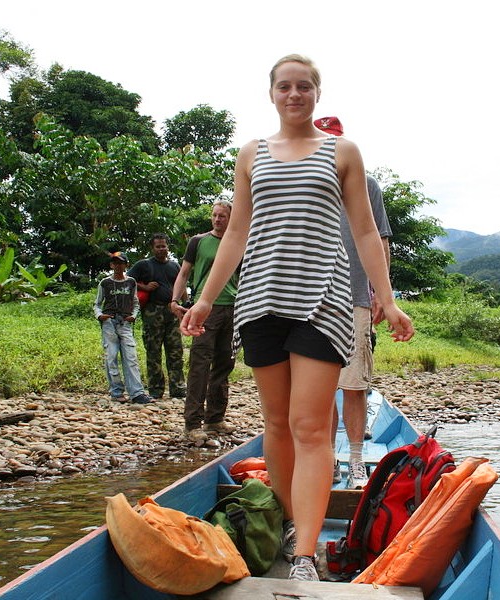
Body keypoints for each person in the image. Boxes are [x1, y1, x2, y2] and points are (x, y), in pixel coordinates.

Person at [180, 54, 414, 582]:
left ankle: (305, 555)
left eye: (303, 86)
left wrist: (388, 299)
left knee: (310, 426)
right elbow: (236, 234)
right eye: (284, 87)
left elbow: (365, 233)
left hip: (322, 301)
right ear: (272, 94)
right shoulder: (252, 154)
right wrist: (203, 298)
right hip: (260, 299)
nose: (294, 94)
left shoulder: (342, 152)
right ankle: (287, 525)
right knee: (277, 426)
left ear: (316, 94)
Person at [314, 116, 391, 490]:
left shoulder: (367, 185)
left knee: (355, 384)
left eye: (334, 142)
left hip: (356, 295)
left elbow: (380, 241)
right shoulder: (307, 183)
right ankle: (327, 460)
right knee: (321, 386)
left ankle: (357, 460)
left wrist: (382, 292)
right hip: (311, 301)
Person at [171, 199, 240, 442]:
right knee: (200, 365)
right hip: (205, 308)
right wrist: (174, 300)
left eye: (222, 216)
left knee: (224, 363)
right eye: (215, 215)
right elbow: (184, 273)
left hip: (232, 308)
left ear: (231, 218)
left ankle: (215, 419)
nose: (218, 219)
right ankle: (192, 423)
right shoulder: (198, 242)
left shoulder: (240, 243)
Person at [128, 233, 186, 400]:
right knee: (153, 351)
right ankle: (155, 389)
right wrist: (144, 287)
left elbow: (181, 287)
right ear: (152, 248)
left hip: (172, 311)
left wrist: (186, 306)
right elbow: (127, 280)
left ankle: (178, 388)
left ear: (168, 247)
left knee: (175, 350)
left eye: (164, 246)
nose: (161, 249)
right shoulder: (144, 265)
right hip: (153, 312)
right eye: (158, 246)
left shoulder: (175, 266)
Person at [93, 251, 153, 405]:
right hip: (109, 323)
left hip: (125, 323)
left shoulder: (131, 282)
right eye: (115, 263)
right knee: (111, 357)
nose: (118, 266)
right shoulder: (105, 283)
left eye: (121, 263)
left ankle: (137, 393)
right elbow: (97, 304)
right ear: (111, 265)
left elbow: (135, 302)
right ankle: (116, 391)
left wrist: (133, 315)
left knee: (130, 357)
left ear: (126, 265)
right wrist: (100, 316)